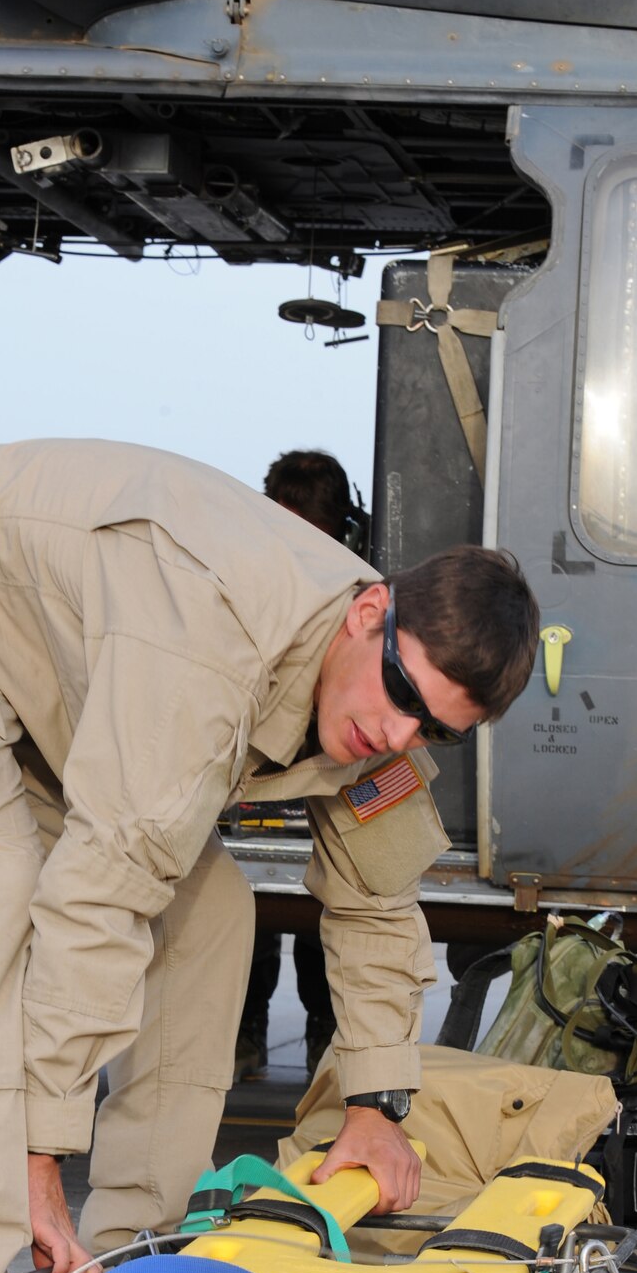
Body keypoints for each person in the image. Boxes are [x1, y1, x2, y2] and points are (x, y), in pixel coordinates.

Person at [0, 440, 539, 1273]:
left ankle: (133, 1261)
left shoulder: (375, 697)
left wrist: (377, 1109)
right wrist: (36, 1160)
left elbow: (375, 899)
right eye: (403, 697)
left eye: (436, 731)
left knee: (211, 911)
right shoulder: (212, 638)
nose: (399, 735)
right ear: (368, 611)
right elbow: (101, 895)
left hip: (56, 668)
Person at [235, 448, 352, 1081]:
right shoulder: (257, 576)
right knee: (250, 917)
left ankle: (308, 1045)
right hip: (265, 781)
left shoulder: (355, 588)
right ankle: (270, 1041)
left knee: (313, 923)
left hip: (311, 780)